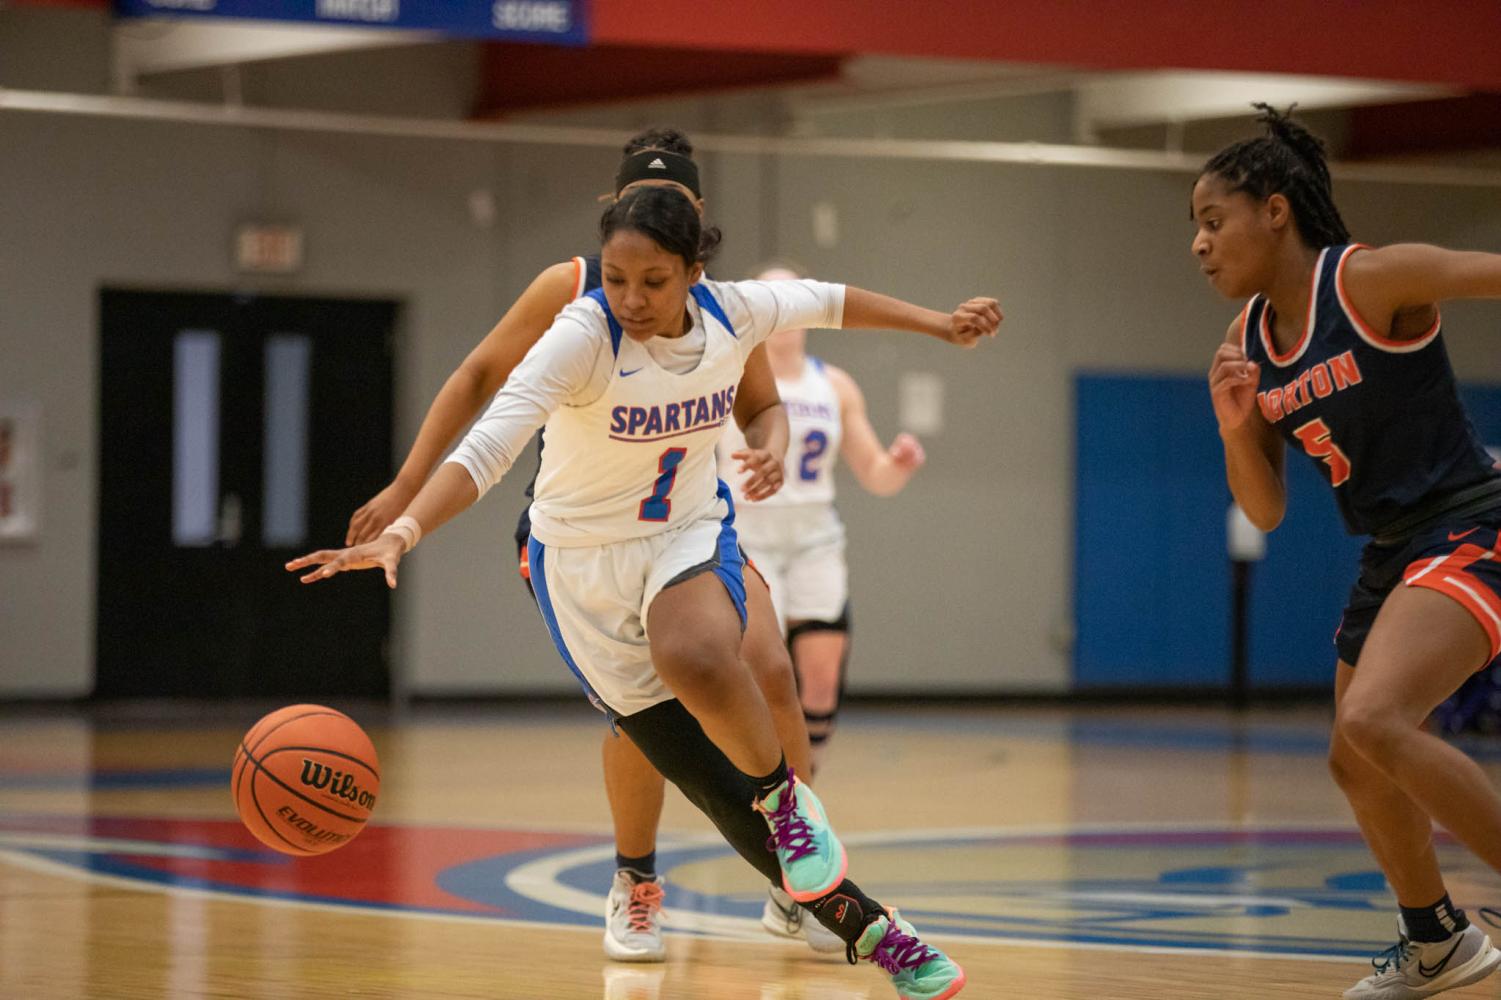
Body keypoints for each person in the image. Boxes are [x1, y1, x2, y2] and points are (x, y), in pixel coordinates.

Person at [294, 184, 999, 998]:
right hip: (581, 565)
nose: (629, 298)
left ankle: (786, 802)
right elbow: (490, 444)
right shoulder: (580, 335)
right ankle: (875, 931)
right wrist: (403, 529)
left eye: (652, 281)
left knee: (702, 653)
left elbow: (835, 301)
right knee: (706, 782)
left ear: (694, 272)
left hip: (682, 534)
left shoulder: (736, 313)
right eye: (616, 277)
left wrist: (940, 323)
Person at [345, 129, 813, 962]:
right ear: (615, 212)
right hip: (587, 529)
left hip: (689, 521)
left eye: (687, 210)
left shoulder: (710, 301)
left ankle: (798, 877)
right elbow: (475, 380)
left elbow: (760, 405)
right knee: (636, 713)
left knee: (772, 671)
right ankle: (635, 881)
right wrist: (404, 492)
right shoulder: (572, 290)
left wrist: (770, 445)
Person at [1197, 104, 1501, 999]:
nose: (1200, 245)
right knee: (1350, 754)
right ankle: (1436, 939)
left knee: (1374, 722)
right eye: (1195, 230)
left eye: (1213, 221)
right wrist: (1230, 429)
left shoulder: (1369, 280)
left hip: (1471, 522)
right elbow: (1268, 508)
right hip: (1389, 552)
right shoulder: (1243, 346)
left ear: (1275, 211)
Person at [719, 262, 927, 780]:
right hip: (747, 535)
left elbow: (875, 475)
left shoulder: (834, 385)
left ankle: (805, 781)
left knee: (822, 677)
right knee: (766, 673)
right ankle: (766, 782)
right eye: (770, 301)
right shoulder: (724, 377)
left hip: (815, 538)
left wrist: (898, 465)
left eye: (792, 301)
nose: (782, 314)